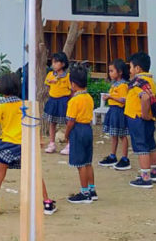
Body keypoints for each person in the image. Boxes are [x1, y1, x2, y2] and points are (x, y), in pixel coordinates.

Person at [0, 71, 57, 217]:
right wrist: (40, 139)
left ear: (1, 88)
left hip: (6, 146)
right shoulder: (26, 105)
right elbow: (36, 123)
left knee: (0, 173)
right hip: (25, 145)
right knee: (35, 173)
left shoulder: (2, 107)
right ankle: (47, 202)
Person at [125, 52, 156, 189]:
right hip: (149, 118)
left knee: (140, 146)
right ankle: (154, 172)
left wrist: (144, 114)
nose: (130, 70)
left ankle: (145, 178)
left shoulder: (137, 83)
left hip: (137, 118)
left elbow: (144, 98)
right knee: (151, 144)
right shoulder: (151, 82)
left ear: (138, 69)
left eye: (131, 67)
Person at [64, 65, 97, 204]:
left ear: (73, 84)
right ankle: (92, 189)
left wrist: (66, 134)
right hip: (88, 129)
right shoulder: (88, 97)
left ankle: (84, 193)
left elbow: (71, 121)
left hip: (78, 130)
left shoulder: (74, 101)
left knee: (80, 163)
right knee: (88, 162)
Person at [98, 59, 131, 171]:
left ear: (120, 72)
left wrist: (110, 97)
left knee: (122, 135)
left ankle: (125, 158)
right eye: (109, 71)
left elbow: (123, 100)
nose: (110, 73)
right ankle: (112, 155)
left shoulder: (123, 85)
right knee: (113, 134)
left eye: (112, 71)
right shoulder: (114, 84)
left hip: (119, 112)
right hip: (112, 110)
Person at [43, 52, 71, 154]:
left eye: (56, 62)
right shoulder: (50, 74)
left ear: (63, 64)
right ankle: (52, 144)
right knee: (52, 122)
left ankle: (69, 144)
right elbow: (47, 83)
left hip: (64, 101)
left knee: (67, 123)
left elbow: (71, 90)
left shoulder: (68, 76)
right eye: (52, 62)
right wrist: (51, 82)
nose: (53, 64)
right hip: (52, 100)